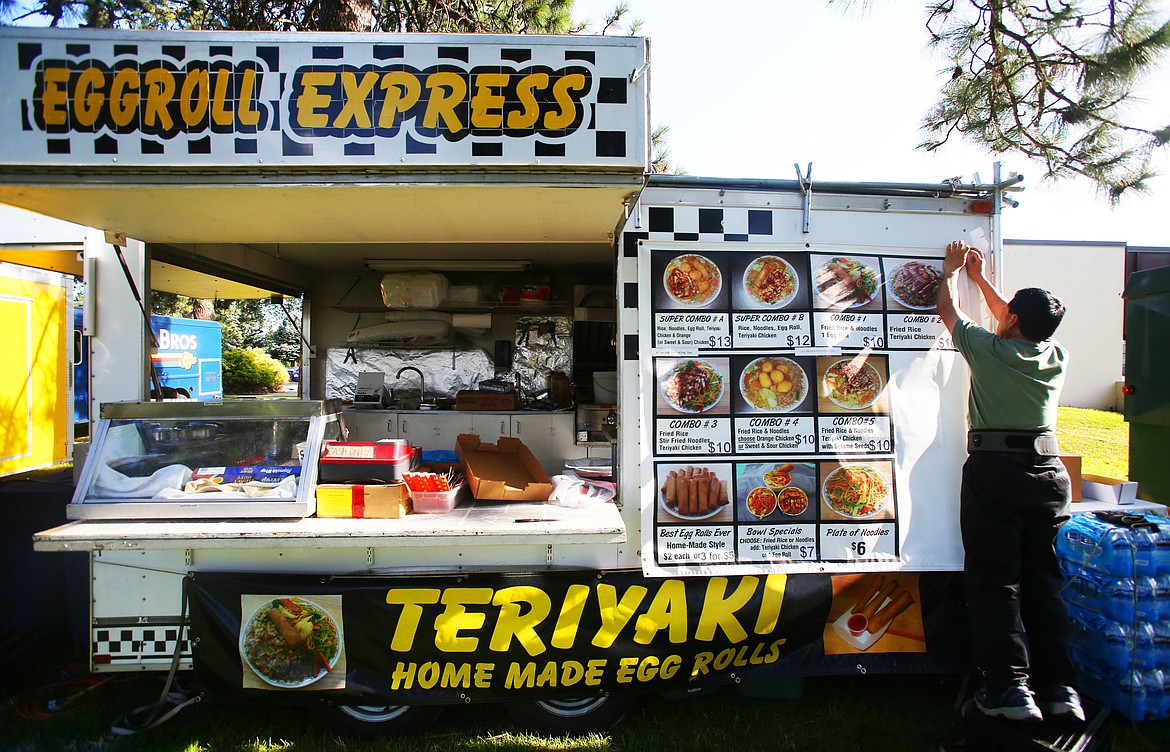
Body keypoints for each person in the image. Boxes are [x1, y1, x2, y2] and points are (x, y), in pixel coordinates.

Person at [936, 240, 1084, 723]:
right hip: (1049, 476)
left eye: (1009, 313)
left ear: (1015, 322)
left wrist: (953, 271)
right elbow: (1012, 316)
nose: (1003, 315)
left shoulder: (990, 350)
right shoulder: (1054, 354)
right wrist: (983, 278)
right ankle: (1060, 690)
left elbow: (947, 309)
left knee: (995, 581)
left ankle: (1008, 691)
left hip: (997, 474)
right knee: (1045, 580)